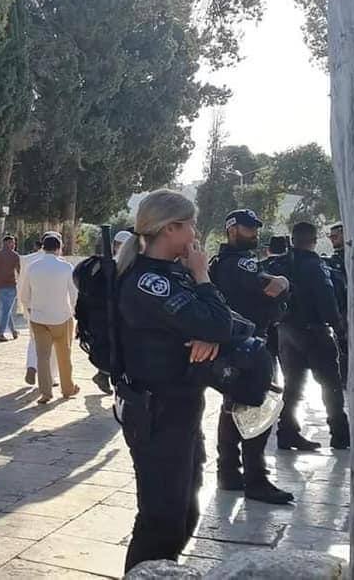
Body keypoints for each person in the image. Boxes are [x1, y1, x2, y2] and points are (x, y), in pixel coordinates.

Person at [115, 190, 235, 572]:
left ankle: (160, 573)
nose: (195, 232)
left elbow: (223, 325)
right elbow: (218, 321)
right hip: (157, 413)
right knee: (161, 521)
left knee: (185, 511)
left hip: (180, 409)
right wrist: (202, 277)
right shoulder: (151, 281)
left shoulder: (171, 274)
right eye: (190, 224)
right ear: (171, 228)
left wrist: (210, 333)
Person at [209, 210, 294, 504]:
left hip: (233, 342)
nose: (254, 233)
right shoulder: (239, 262)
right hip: (251, 342)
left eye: (255, 228)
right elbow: (271, 289)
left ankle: (228, 472)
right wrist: (282, 281)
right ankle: (256, 479)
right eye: (247, 228)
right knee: (260, 406)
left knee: (233, 405)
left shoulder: (219, 263)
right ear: (231, 230)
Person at [269, 221, 349, 450]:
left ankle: (287, 432)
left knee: (293, 387)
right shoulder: (315, 265)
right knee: (330, 385)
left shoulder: (278, 264)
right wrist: (340, 329)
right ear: (313, 241)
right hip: (314, 332)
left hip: (285, 332)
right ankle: (340, 434)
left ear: (293, 240)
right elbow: (326, 299)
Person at [18, 233, 80, 404]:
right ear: (59, 248)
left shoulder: (33, 267)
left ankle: (45, 392)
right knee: (64, 354)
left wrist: (31, 309)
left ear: (43, 247)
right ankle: (68, 388)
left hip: (38, 318)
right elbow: (74, 294)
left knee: (42, 356)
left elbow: (24, 295)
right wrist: (76, 313)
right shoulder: (66, 268)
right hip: (61, 316)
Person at [19, 232, 61, 386]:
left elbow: (22, 288)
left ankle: (31, 366)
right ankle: (50, 376)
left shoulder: (28, 261)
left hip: (33, 308)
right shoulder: (62, 264)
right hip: (56, 311)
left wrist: (25, 306)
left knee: (34, 340)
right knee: (54, 344)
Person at [325, 222, 348, 387]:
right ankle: (345, 379)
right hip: (342, 309)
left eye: (335, 236)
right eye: (330, 237)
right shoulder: (333, 260)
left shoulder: (348, 257)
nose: (332, 240)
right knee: (342, 347)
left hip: (351, 308)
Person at [0, 234, 21, 342]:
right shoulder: (15, 256)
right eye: (13, 243)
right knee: (6, 310)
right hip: (11, 285)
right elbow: (19, 271)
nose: (14, 245)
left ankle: (13, 331)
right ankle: (0, 333)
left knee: (7, 309)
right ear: (8, 243)